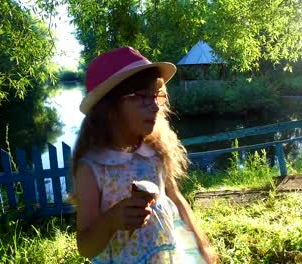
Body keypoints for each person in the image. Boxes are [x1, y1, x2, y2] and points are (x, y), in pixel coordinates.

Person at [71, 47, 218, 263]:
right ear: (108, 108)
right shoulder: (93, 167)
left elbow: (176, 198)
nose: (155, 107)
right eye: (141, 96)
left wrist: (202, 246)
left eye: (157, 96)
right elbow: (85, 247)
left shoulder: (154, 151)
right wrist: (112, 220)